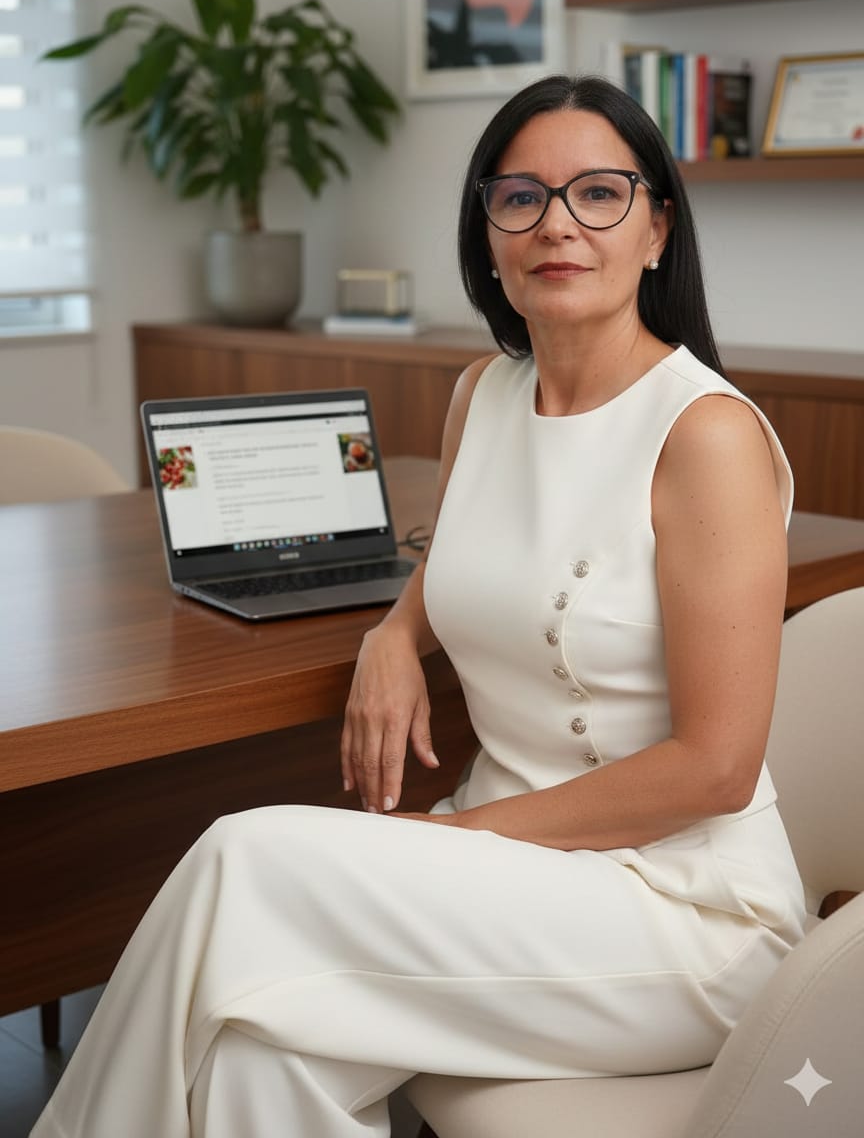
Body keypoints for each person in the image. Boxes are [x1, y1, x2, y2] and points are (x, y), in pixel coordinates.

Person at [31, 74, 807, 1138]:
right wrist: (394, 630)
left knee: (240, 858)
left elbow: (717, 768)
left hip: (680, 911)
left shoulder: (706, 436)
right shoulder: (484, 394)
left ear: (658, 229)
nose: (557, 224)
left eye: (598, 193)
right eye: (521, 196)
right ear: (488, 233)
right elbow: (480, 550)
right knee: (257, 1049)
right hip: (510, 873)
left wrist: (466, 840)